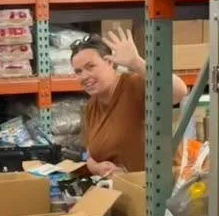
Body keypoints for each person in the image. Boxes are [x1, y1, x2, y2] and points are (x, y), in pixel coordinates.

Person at [71, 26, 189, 176]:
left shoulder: (135, 85)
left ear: (110, 62)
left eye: (91, 66)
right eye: (78, 71)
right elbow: (90, 153)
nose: (84, 76)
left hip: (158, 189)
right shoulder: (92, 105)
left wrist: (136, 62)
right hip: (122, 190)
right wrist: (96, 167)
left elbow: (179, 91)